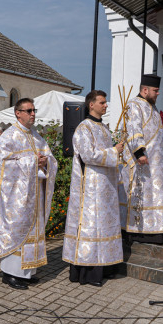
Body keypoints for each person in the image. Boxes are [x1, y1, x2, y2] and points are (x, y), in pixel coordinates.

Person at [0, 98, 57, 290]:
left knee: (32, 232)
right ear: (18, 113)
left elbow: (49, 158)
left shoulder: (36, 136)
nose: (33, 114)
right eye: (29, 111)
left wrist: (45, 161)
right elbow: (4, 166)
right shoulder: (9, 136)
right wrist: (33, 161)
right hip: (16, 197)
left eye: (34, 110)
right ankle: (10, 274)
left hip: (34, 195)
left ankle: (27, 272)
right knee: (16, 231)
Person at [63, 90, 124, 286]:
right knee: (91, 228)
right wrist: (114, 151)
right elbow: (88, 156)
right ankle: (88, 274)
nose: (106, 105)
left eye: (105, 102)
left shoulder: (104, 128)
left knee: (104, 227)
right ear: (91, 105)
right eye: (102, 102)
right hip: (91, 188)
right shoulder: (84, 128)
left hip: (106, 187)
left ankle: (106, 267)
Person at [119, 74, 163, 244]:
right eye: (155, 90)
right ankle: (138, 231)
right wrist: (139, 153)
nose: (158, 93)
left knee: (155, 195)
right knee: (141, 195)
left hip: (155, 163)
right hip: (141, 161)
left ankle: (157, 229)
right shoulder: (134, 105)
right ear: (145, 90)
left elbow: (151, 134)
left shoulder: (153, 108)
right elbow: (133, 130)